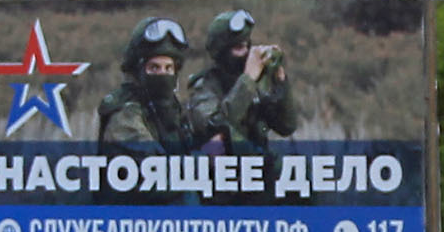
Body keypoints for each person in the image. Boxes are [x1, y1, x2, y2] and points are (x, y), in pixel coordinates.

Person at [187, 8, 296, 158]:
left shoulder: (254, 83)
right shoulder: (205, 86)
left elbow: (287, 126)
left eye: (247, 46)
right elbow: (217, 126)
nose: (246, 53)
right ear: (222, 51)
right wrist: (248, 79)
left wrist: (280, 82)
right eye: (239, 48)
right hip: (224, 171)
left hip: (257, 166)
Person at [96, 16, 198, 161]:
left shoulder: (173, 109)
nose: (162, 75)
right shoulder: (124, 113)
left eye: (168, 68)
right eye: (154, 67)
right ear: (139, 70)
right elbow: (154, 165)